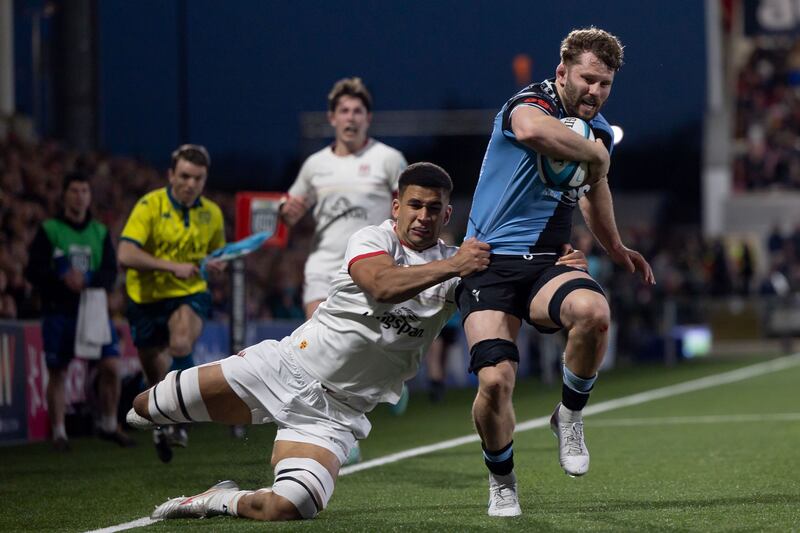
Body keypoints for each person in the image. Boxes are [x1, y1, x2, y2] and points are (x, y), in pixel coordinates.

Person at [126, 163, 589, 522]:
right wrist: (455, 267)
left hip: (338, 415)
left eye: (434, 208)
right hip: (285, 369)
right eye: (415, 205)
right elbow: (383, 285)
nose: (423, 216)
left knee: (293, 506)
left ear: (447, 214)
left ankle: (213, 499)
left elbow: (516, 289)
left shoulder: (459, 264)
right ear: (396, 206)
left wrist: (557, 269)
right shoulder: (372, 240)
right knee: (142, 409)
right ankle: (165, 416)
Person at [459, 27, 655, 517]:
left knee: (593, 311)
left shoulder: (599, 131)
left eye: (605, 84)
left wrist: (615, 245)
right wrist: (595, 154)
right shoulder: (529, 104)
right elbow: (530, 132)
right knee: (495, 383)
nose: (595, 91)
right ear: (562, 71)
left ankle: (568, 415)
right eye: (588, 79)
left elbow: (594, 190)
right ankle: (502, 481)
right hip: (489, 264)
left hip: (549, 263)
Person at [279, 77, 409, 461]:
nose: (350, 118)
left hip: (370, 268)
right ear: (332, 118)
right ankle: (339, 439)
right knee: (320, 351)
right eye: (343, 112)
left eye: (357, 111)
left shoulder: (388, 159)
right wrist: (289, 213)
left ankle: (389, 384)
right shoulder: (315, 165)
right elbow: (290, 208)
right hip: (324, 267)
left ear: (368, 118)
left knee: (363, 352)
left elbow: (411, 205)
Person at [117, 144, 226, 463]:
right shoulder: (149, 206)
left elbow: (215, 258)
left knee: (180, 342)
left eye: (198, 178)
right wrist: (170, 266)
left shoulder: (213, 214)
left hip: (189, 293)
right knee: (154, 374)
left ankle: (180, 419)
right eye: (185, 176)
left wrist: (217, 266)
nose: (191, 184)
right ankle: (163, 423)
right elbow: (125, 254)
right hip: (145, 299)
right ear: (171, 175)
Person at [26, 171, 134, 451]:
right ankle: (59, 433)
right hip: (59, 309)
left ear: (89, 196)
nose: (80, 196)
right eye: (74, 190)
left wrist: (87, 279)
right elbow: (33, 270)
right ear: (64, 195)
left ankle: (110, 425)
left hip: (93, 308)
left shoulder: (99, 232)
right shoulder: (50, 230)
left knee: (111, 366)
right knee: (58, 370)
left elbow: (110, 273)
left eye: (84, 191)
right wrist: (60, 278)